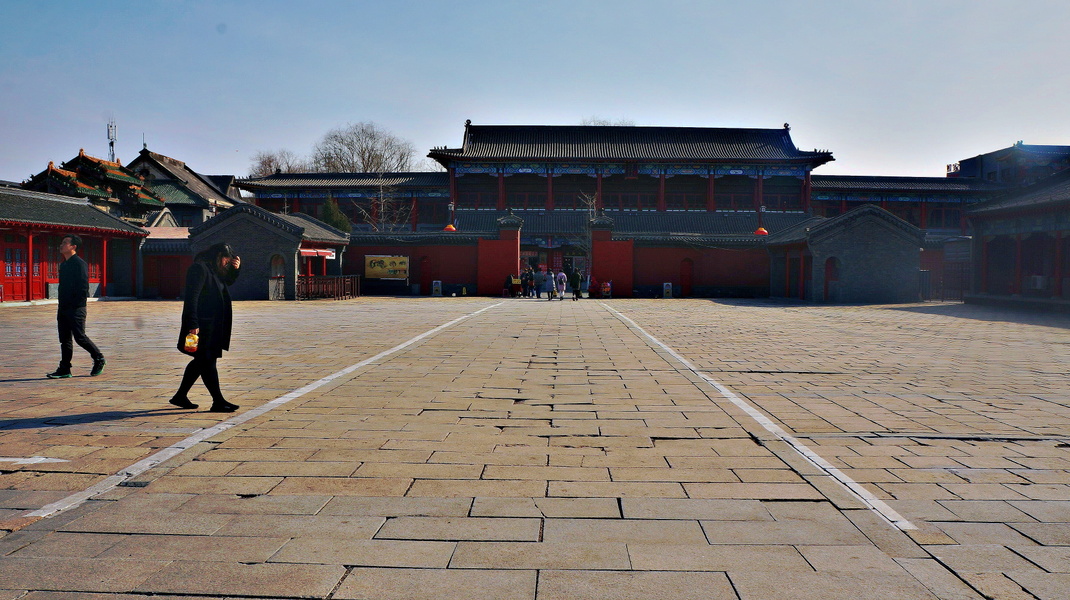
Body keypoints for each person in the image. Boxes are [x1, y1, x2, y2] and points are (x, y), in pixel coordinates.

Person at [170, 243, 241, 412]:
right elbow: (191, 298)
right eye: (226, 259)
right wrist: (192, 324)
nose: (226, 263)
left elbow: (227, 283)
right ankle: (218, 401)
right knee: (207, 362)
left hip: (213, 325)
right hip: (202, 325)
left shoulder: (215, 271)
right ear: (218, 256)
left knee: (201, 361)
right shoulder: (199, 269)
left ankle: (180, 396)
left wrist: (235, 270)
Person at [47, 235, 105, 378]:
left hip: (76, 307)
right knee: (64, 339)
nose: (61, 245)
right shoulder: (65, 264)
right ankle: (65, 369)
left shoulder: (79, 264)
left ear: (73, 247)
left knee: (79, 337)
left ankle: (99, 358)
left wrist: (77, 305)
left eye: (65, 243)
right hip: (63, 307)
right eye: (61, 242)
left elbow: (83, 287)